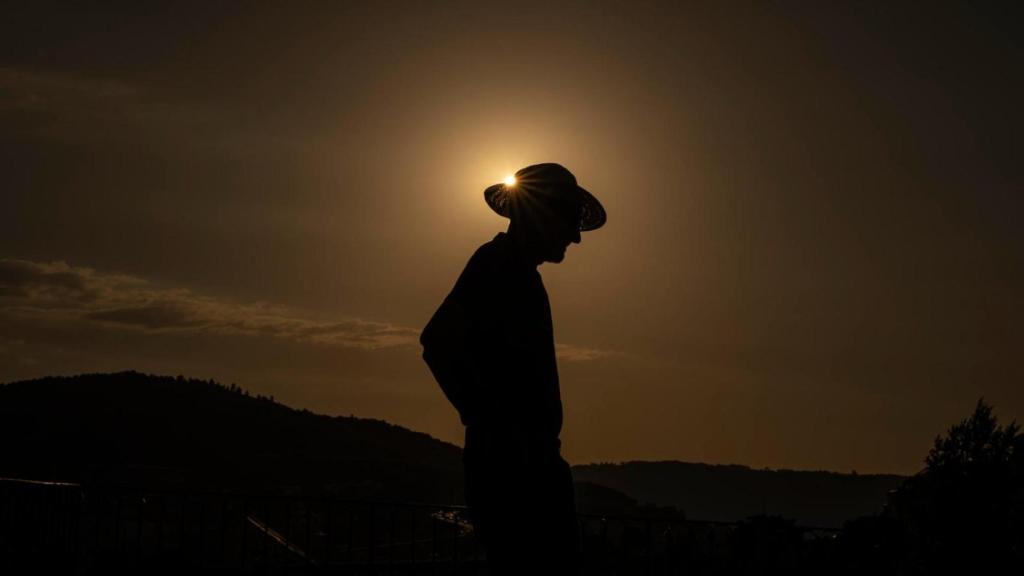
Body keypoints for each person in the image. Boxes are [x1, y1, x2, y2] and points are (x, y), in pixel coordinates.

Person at [419, 163, 606, 574]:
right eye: (570, 222)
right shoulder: (497, 264)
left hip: (526, 463)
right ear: (544, 215)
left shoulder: (516, 272)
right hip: (515, 470)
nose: (575, 237)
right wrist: (490, 422)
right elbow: (437, 342)